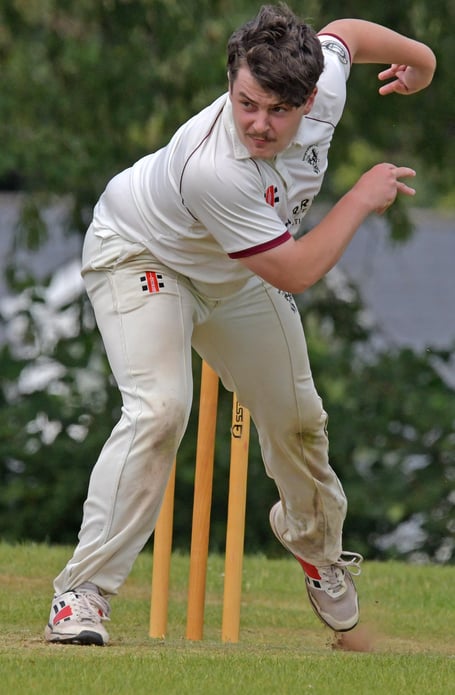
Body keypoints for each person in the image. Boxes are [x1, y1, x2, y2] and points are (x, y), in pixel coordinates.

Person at [44, 4, 436, 646]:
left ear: (310, 99)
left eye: (278, 110)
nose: (258, 123)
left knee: (299, 419)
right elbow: (298, 271)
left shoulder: (324, 82)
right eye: (246, 102)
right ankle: (80, 594)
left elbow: (347, 35)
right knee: (162, 408)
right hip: (143, 254)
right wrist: (361, 197)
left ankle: (315, 548)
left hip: (234, 274)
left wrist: (424, 60)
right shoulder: (215, 168)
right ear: (232, 80)